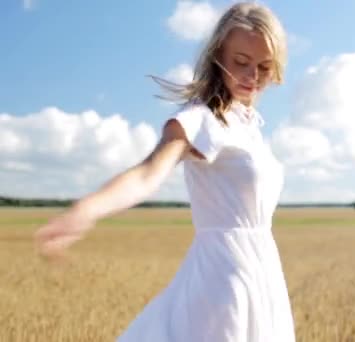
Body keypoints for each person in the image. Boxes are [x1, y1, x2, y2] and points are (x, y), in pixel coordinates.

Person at [33, 2, 295, 341]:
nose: (252, 77)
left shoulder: (251, 129)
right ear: (218, 55)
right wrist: (87, 210)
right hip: (225, 279)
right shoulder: (201, 118)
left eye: (263, 67)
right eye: (241, 62)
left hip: (264, 272)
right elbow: (148, 173)